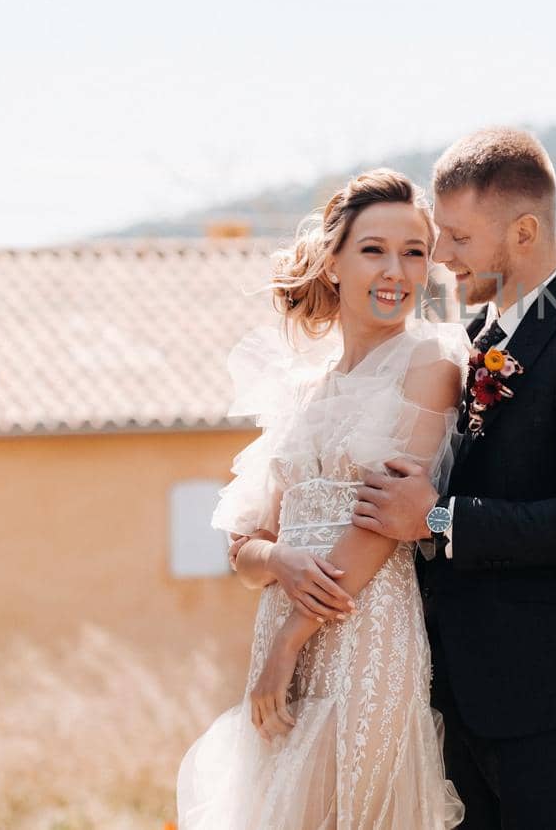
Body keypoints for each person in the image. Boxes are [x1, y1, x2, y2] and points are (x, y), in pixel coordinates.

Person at [353, 127, 556, 829]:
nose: (439, 256)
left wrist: (436, 519)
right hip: (450, 695)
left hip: (553, 699)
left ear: (524, 231)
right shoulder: (460, 344)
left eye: (458, 237)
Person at [177, 168, 468, 829]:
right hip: (284, 643)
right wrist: (280, 563)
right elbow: (243, 548)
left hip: (366, 636)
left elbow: (386, 520)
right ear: (333, 261)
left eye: (414, 251)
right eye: (373, 249)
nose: (395, 269)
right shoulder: (299, 393)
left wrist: (289, 638)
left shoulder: (430, 362)